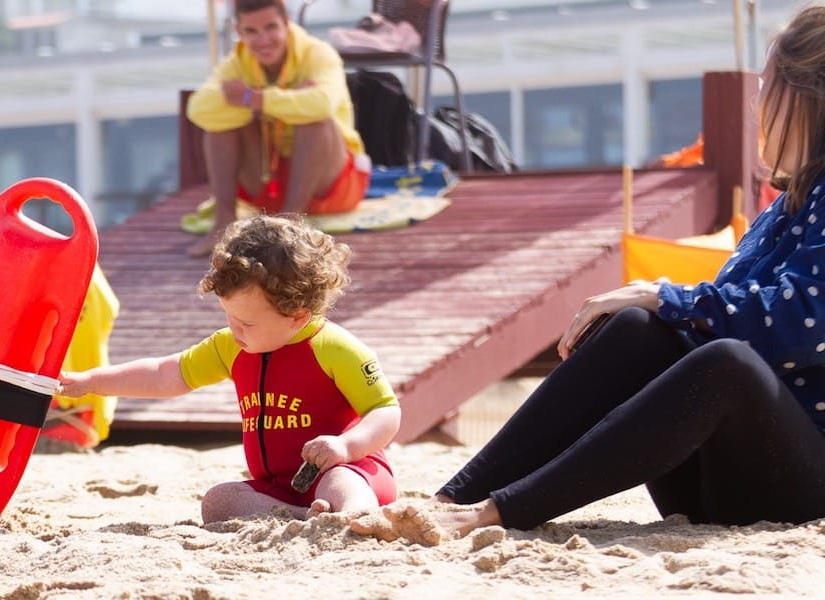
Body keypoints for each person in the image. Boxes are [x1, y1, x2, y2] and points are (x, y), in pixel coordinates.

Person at [351, 5, 825, 545]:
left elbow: (805, 323)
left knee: (725, 360)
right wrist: (654, 308)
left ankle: (499, 511)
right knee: (638, 329)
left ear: (807, 95)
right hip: (723, 478)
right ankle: (453, 498)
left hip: (800, 480)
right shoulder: (787, 204)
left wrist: (664, 296)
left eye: (769, 83)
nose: (758, 98)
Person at [59, 215, 401, 521]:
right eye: (228, 317)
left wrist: (347, 447)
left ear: (297, 315)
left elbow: (385, 411)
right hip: (279, 487)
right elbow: (165, 374)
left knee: (340, 482)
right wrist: (92, 380)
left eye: (246, 324)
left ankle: (356, 515)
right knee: (219, 500)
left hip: (350, 469)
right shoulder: (230, 347)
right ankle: (302, 517)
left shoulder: (334, 348)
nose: (234, 330)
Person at [184, 0, 370, 257]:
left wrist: (253, 99)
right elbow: (198, 109)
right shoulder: (237, 62)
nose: (263, 40)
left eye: (271, 27)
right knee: (220, 126)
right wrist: (291, 99)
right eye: (251, 31)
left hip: (331, 186)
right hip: (268, 181)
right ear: (240, 32)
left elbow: (322, 104)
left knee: (315, 122)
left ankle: (290, 228)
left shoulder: (319, 54)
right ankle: (223, 221)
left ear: (287, 23)